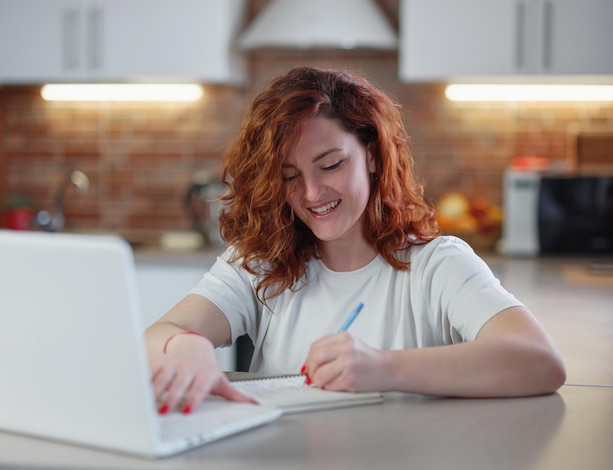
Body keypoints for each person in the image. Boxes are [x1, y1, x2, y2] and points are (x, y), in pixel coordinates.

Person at [145, 67, 566, 415]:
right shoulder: (260, 263)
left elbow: (539, 360)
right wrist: (183, 345)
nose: (311, 193)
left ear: (372, 155)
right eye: (290, 176)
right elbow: (153, 337)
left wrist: (384, 367)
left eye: (330, 165)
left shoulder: (437, 265)